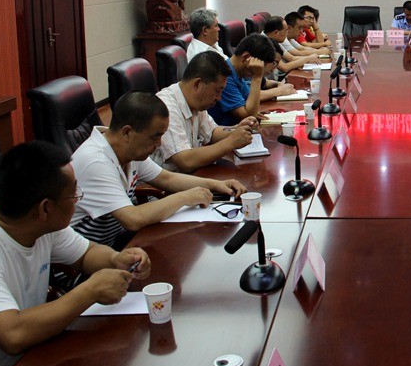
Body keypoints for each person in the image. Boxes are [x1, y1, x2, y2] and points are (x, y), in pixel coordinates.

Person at [0, 141, 151, 366]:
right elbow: (13, 335)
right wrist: (90, 291)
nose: (78, 198)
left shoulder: (37, 223)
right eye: (74, 194)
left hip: (36, 355)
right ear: (45, 208)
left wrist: (117, 259)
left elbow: (86, 254)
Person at [72, 92, 246, 248]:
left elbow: (167, 179)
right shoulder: (96, 161)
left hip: (115, 242)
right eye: (155, 136)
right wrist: (185, 197)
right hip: (85, 261)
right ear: (127, 132)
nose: (159, 144)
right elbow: (133, 219)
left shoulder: (126, 149)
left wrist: (216, 184)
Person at [155, 51, 257, 173]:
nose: (219, 98)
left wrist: (237, 129)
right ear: (198, 84)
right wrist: (231, 142)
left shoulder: (195, 101)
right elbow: (185, 161)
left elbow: (212, 132)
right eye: (217, 91)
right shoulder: (166, 107)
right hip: (169, 182)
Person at [208, 34, 277, 125]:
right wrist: (257, 77)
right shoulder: (225, 76)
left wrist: (252, 111)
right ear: (245, 57)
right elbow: (249, 117)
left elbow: (250, 104)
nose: (257, 71)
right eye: (257, 67)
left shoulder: (238, 73)